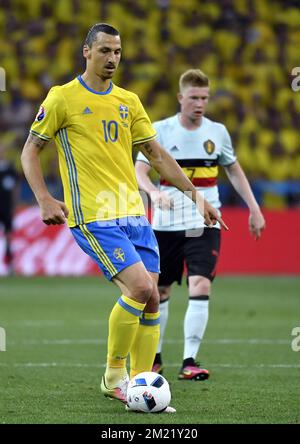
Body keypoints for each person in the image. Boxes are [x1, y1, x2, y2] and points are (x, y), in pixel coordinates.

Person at [20, 24, 228, 413]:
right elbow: (30, 150)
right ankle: (114, 376)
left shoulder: (129, 101)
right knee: (139, 289)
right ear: (87, 51)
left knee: (152, 301)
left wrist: (197, 197)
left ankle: (142, 383)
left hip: (134, 212)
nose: (112, 58)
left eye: (117, 51)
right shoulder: (63, 97)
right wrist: (45, 198)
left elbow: (157, 154)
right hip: (93, 214)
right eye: (104, 51)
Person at [135, 68, 265, 381]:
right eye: (194, 97)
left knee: (200, 283)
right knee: (159, 291)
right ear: (181, 98)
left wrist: (254, 208)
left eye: (204, 98)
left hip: (203, 221)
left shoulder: (217, 132)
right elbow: (139, 171)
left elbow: (234, 171)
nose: (200, 103)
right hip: (165, 224)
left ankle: (190, 360)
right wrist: (153, 192)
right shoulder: (161, 130)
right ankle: (154, 358)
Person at [0, 144, 18, 274]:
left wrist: (13, 205)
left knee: (8, 235)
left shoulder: (10, 170)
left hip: (6, 207)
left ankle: (9, 262)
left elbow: (15, 189)